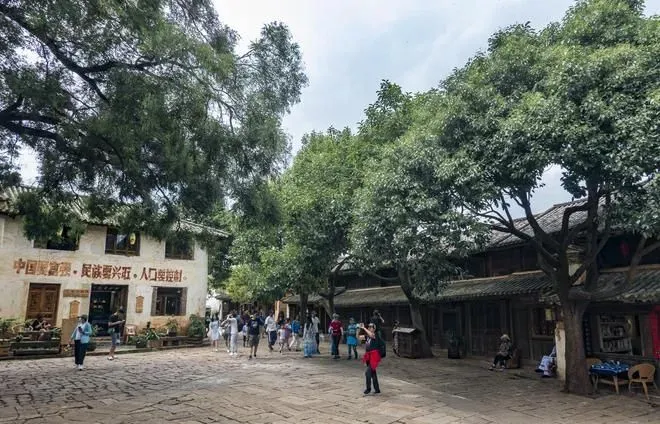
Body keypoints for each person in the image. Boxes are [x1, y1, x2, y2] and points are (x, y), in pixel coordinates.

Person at [360, 322, 382, 394]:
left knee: (367, 373)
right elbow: (359, 338)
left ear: (374, 329)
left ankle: (368, 388)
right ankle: (377, 389)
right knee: (373, 373)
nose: (369, 328)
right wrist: (360, 329)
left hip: (374, 356)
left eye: (371, 327)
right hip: (368, 356)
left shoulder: (376, 335)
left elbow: (371, 335)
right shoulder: (367, 337)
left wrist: (364, 328)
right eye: (368, 326)